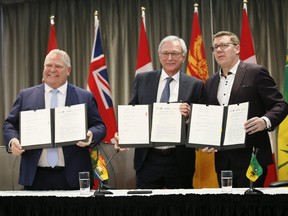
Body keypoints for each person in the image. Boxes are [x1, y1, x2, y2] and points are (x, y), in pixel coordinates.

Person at [2, 49, 106, 190]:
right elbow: (9, 124)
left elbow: (99, 126)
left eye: (58, 66)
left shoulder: (84, 97)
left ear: (68, 70)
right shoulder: (25, 96)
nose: (52, 70)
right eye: (48, 65)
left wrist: (90, 135)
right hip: (35, 175)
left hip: (73, 175)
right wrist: (13, 141)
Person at [115, 35, 205, 189]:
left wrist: (189, 116)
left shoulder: (195, 84)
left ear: (183, 57)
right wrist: (124, 133)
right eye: (165, 53)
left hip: (179, 160)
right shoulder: (143, 79)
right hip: (148, 158)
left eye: (175, 53)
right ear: (159, 55)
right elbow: (132, 111)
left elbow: (201, 122)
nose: (170, 58)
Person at [203, 31, 288, 187]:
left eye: (224, 45)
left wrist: (265, 121)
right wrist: (207, 138)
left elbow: (280, 105)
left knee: (251, 206)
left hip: (252, 157)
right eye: (215, 47)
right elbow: (210, 117)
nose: (219, 50)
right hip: (223, 160)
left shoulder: (255, 72)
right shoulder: (210, 82)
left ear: (237, 48)